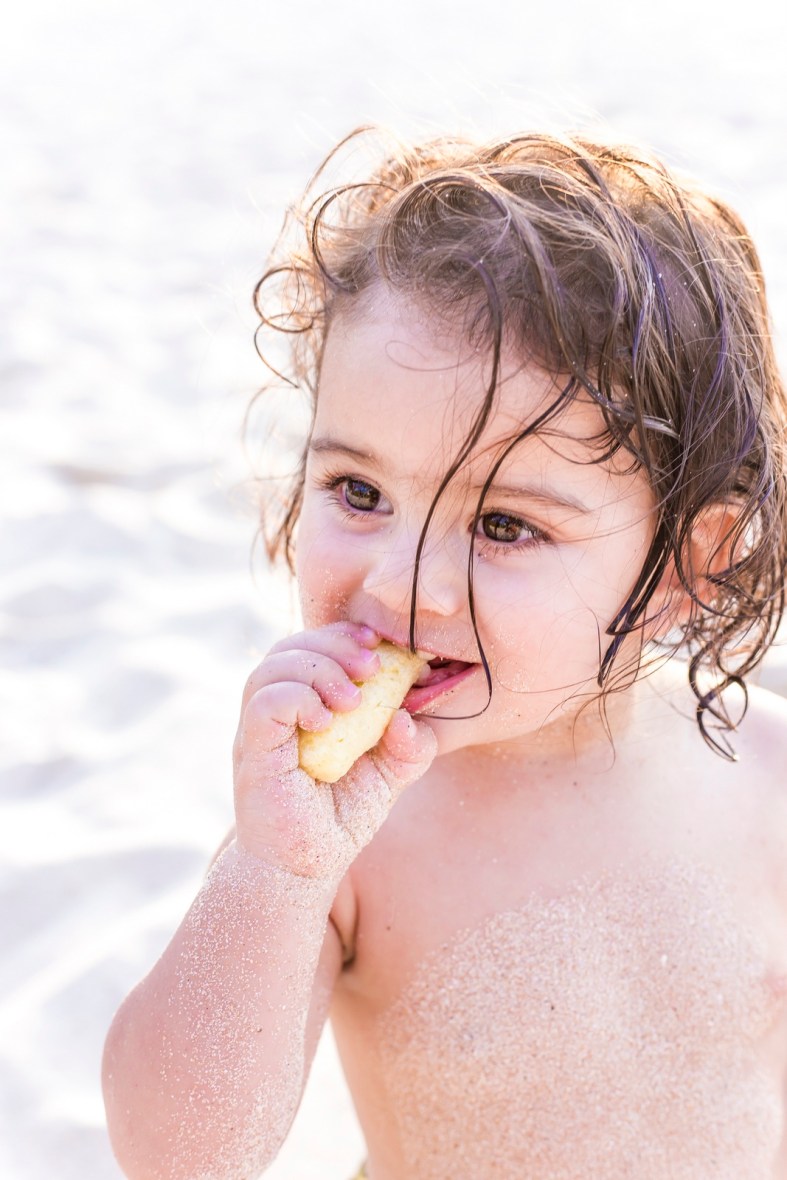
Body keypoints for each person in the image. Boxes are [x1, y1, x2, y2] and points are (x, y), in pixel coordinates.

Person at [102, 128, 787, 1179]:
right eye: (358, 491)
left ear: (687, 564)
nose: (399, 583)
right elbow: (179, 1154)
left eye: (503, 525)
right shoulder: (342, 831)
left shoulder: (767, 781)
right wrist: (275, 875)